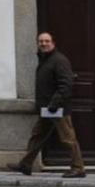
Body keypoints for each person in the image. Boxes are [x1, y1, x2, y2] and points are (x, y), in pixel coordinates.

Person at [7, 32, 85, 178]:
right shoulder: (45, 60)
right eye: (41, 41)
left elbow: (66, 85)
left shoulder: (59, 60)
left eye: (47, 41)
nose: (43, 43)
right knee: (37, 136)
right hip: (47, 109)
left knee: (68, 138)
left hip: (58, 108)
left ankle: (78, 167)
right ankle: (26, 164)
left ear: (53, 43)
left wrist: (55, 103)